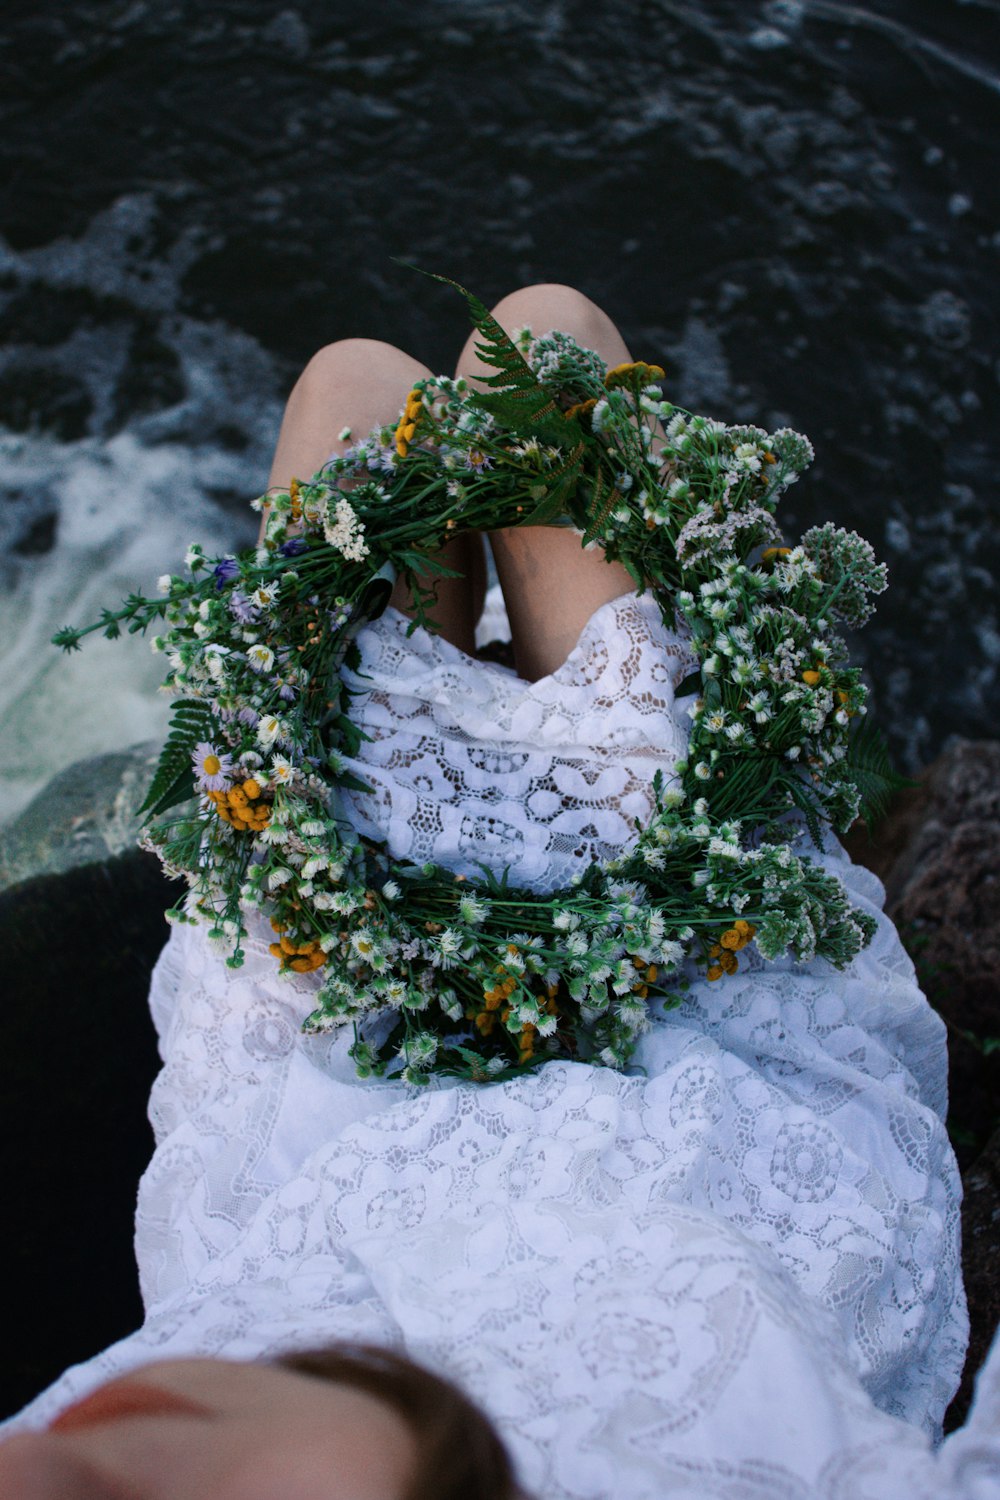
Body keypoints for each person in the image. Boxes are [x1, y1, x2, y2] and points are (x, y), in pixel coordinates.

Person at [2, 285, 999, 1499]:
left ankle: (463, 657)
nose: (48, 1437)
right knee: (546, 341)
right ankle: (519, 665)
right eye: (105, 1477)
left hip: (334, 1112)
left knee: (356, 387)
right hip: (684, 1101)